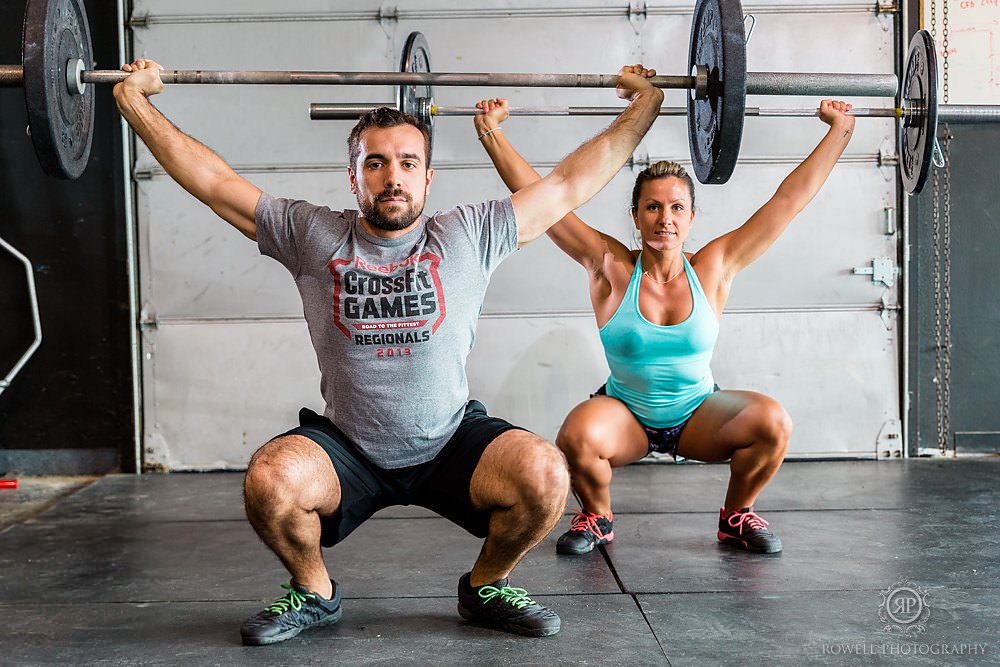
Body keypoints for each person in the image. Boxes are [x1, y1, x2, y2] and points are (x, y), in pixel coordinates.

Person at [112, 59, 663, 644]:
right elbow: (214, 182)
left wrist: (644, 107)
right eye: (375, 163)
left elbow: (570, 183)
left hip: (450, 441)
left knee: (547, 474)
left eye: (407, 163)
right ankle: (314, 592)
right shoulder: (314, 235)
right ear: (353, 178)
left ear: (429, 178)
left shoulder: (470, 234)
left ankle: (487, 585)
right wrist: (134, 101)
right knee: (270, 480)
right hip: (350, 447)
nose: (392, 177)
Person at [474, 96, 855, 556]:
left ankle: (736, 516)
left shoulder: (716, 266)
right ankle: (597, 516)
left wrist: (839, 130)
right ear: (635, 216)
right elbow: (543, 201)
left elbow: (787, 202)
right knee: (576, 435)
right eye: (653, 208)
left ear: (691, 217)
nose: (665, 219)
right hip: (626, 416)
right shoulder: (610, 266)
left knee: (773, 422)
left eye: (677, 208)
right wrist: (491, 132)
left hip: (699, 415)